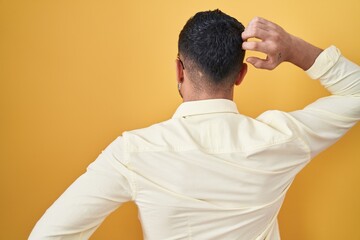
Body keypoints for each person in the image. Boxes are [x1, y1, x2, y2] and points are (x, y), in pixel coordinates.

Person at [29, 9, 360, 240]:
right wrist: (292, 49)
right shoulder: (283, 138)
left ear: (179, 70)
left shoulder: (132, 151)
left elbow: (48, 235)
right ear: (242, 74)